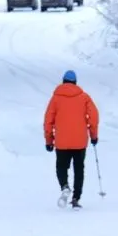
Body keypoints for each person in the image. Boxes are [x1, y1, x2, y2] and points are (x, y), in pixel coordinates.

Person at [44, 70, 99, 209]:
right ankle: (76, 198)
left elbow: (48, 121)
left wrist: (49, 140)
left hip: (62, 141)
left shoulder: (55, 98)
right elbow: (94, 117)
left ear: (63, 81)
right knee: (79, 169)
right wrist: (93, 135)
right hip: (80, 141)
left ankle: (64, 186)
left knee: (61, 167)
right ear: (75, 82)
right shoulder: (84, 97)